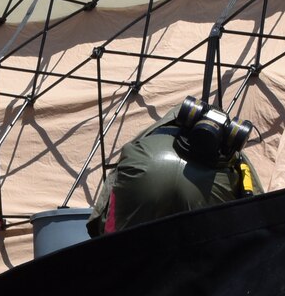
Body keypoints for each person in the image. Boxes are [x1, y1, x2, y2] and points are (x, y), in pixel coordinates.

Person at [87, 99, 260, 236]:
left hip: (144, 173)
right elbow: (258, 213)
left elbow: (106, 202)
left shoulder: (152, 135)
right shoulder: (236, 159)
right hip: (207, 215)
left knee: (119, 254)